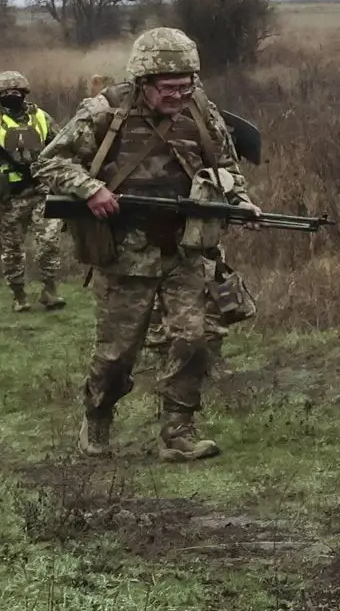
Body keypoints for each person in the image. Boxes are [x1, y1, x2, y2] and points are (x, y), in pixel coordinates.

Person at [35, 28, 254, 462]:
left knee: (194, 341)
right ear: (142, 82)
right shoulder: (103, 112)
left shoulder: (202, 111)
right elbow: (48, 163)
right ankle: (97, 418)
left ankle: (178, 431)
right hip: (124, 251)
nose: (179, 94)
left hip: (185, 248)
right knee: (117, 355)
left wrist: (240, 202)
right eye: (169, 87)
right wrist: (90, 189)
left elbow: (228, 167)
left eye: (186, 84)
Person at [0, 70, 64, 312]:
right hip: (8, 198)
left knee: (50, 242)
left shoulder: (41, 117)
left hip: (41, 191)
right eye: (5, 93)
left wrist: (63, 180)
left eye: (16, 92)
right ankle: (19, 295)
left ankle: (50, 291)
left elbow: (63, 145)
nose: (11, 96)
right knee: (12, 251)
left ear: (24, 93)